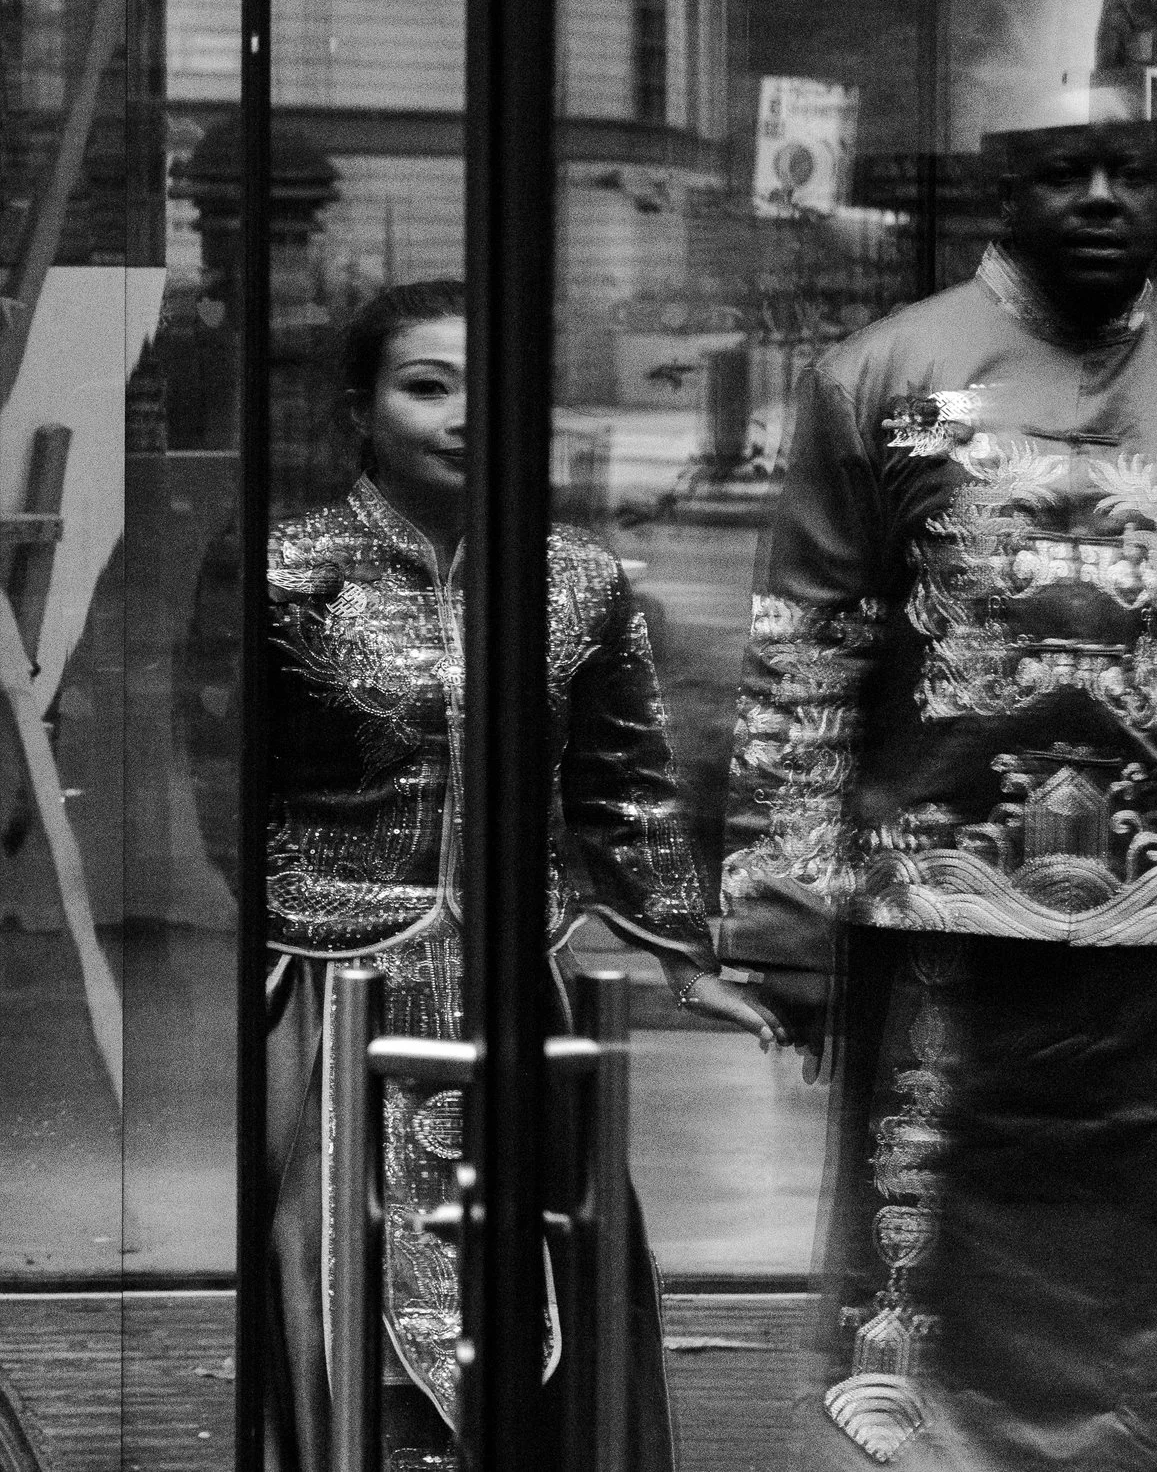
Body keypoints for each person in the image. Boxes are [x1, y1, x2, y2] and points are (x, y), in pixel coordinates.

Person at [723, 116, 1157, 1470]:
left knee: (1144, 1283)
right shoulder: (880, 375)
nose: (1098, 197)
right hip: (938, 917)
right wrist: (782, 915)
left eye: (1131, 171)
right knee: (921, 1273)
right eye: (1060, 172)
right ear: (1003, 189)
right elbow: (808, 647)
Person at [263, 280, 784, 1472]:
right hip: (330, 979)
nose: (460, 413)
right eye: (424, 383)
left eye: (485, 386)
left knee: (538, 1276)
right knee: (330, 1262)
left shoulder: (575, 580)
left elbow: (625, 779)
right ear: (360, 405)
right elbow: (223, 780)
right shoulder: (286, 571)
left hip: (510, 980)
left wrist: (682, 948)